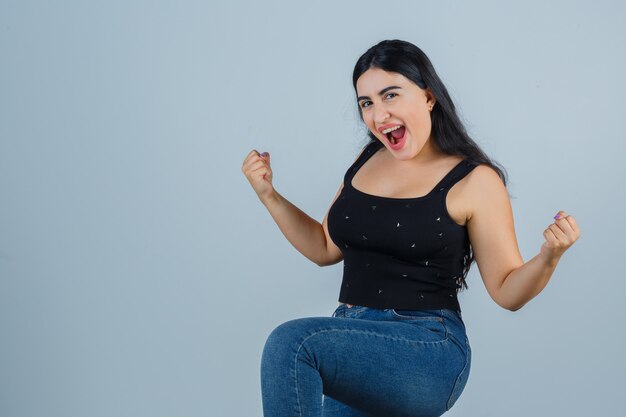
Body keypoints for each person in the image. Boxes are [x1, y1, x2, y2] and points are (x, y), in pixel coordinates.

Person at [241, 39, 580, 417]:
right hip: (356, 341)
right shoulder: (366, 159)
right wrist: (269, 195)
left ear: (429, 97)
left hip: (427, 347)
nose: (378, 114)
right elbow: (324, 247)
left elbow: (506, 291)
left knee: (290, 344)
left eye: (390, 95)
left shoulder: (474, 180)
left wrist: (549, 257)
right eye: (366, 103)